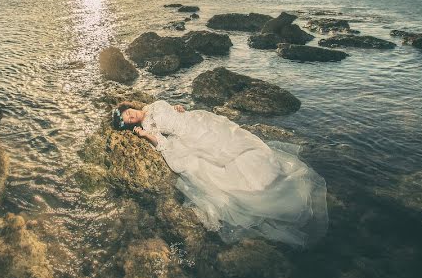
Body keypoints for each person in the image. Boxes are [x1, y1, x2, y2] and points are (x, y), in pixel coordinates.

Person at [111, 100, 328, 247]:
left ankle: (269, 175)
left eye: (128, 112)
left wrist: (178, 107)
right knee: (223, 158)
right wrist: (146, 136)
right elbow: (163, 142)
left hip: (197, 120)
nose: (131, 116)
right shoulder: (147, 124)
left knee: (238, 142)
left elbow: (171, 110)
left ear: (129, 106)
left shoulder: (152, 105)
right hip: (190, 139)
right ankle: (260, 189)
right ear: (131, 125)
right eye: (129, 120)